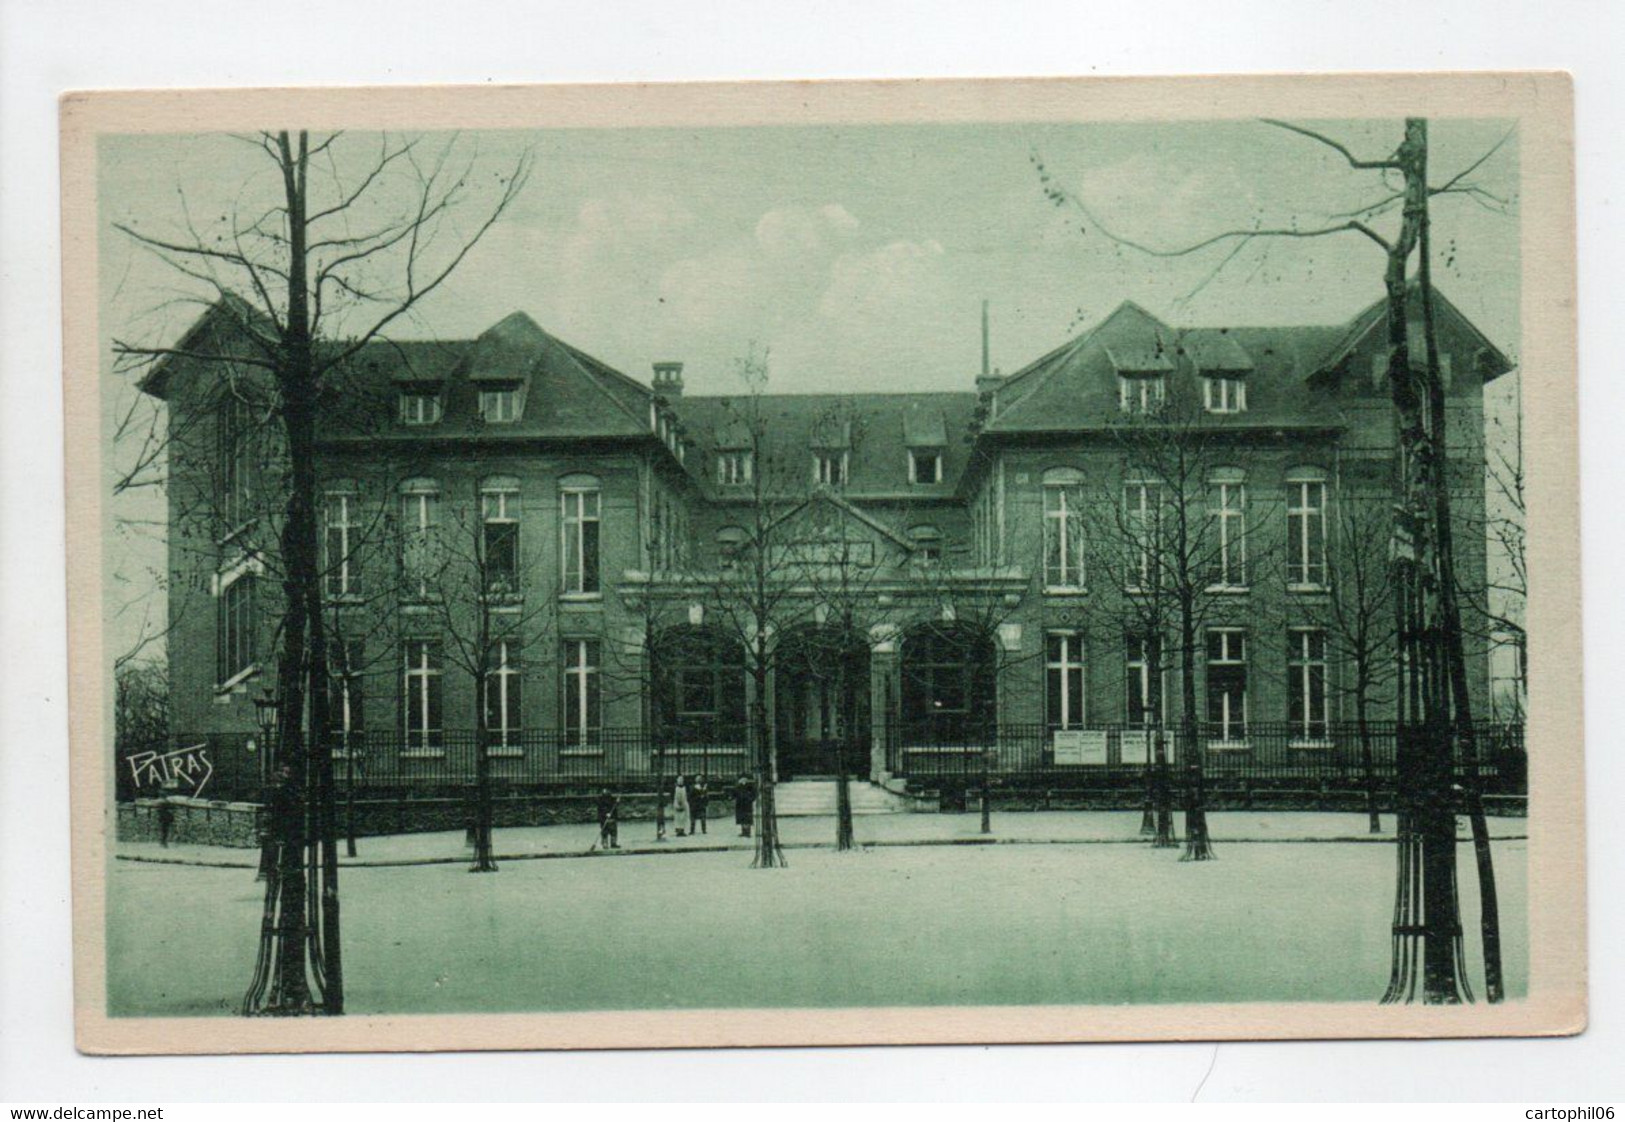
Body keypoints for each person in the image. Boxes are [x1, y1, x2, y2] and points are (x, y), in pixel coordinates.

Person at [734, 773, 756, 838]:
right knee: (742, 818)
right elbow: (735, 794)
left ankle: (748, 832)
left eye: (744, 779)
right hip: (740, 804)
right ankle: (743, 832)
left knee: (747, 818)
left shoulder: (750, 786)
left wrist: (750, 799)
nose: (743, 780)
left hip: (747, 805)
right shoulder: (738, 786)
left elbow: (754, 794)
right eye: (741, 779)